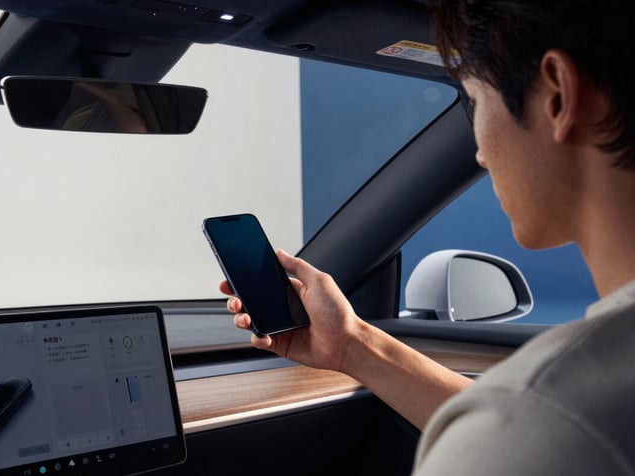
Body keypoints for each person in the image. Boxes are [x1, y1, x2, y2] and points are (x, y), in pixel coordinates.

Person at [221, 0, 635, 473]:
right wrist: (352, 345)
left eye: (475, 101)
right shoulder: (550, 420)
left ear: (557, 96)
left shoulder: (542, 419)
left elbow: (525, 431)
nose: (480, 154)